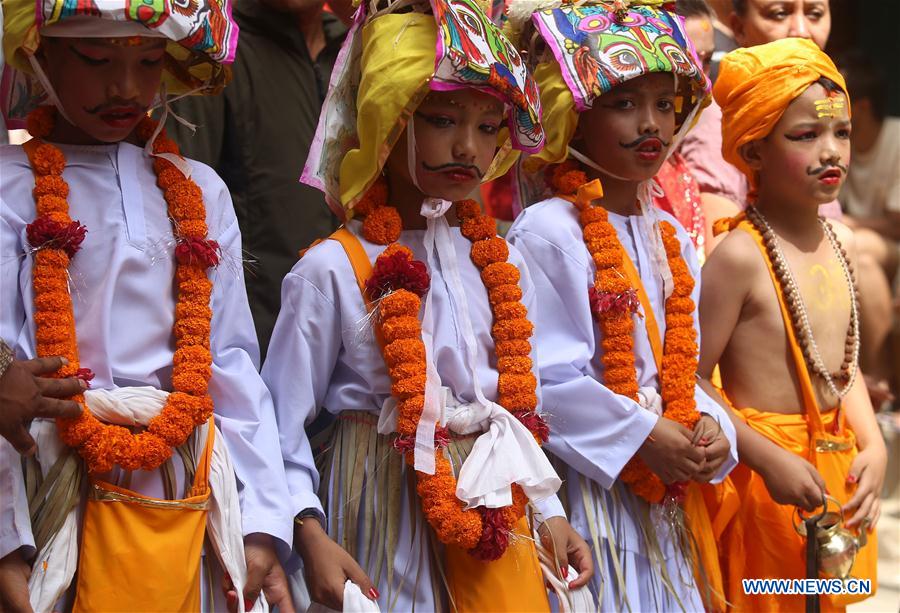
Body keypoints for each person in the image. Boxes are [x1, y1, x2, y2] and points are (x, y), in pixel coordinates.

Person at [263, 0, 591, 609]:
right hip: (383, 515)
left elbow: (516, 410)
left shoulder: (501, 260)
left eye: (489, 127)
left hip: (501, 520)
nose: (468, 147)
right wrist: (309, 535)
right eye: (442, 120)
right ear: (387, 118)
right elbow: (277, 426)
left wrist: (548, 512)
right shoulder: (333, 268)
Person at [0, 0, 297, 610]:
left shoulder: (201, 190)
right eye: (95, 57)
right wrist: (5, 546)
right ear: (39, 52)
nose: (125, 86)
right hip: (49, 496)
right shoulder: (7, 185)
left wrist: (263, 520)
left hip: (187, 488)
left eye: (149, 60)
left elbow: (232, 363)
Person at [505, 1, 738, 609]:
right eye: (624, 104)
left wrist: (712, 429)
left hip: (667, 495)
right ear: (575, 116)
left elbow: (679, 371)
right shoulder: (548, 230)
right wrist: (643, 435)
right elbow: (541, 381)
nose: (651, 125)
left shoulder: (671, 234)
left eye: (665, 105)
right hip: (591, 492)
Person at [700, 38, 885, 611]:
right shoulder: (738, 255)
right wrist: (764, 457)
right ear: (752, 151)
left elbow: (841, 365)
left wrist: (874, 444)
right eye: (805, 136)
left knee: (829, 598)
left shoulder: (843, 240)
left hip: (835, 474)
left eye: (842, 133)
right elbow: (690, 377)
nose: (831, 152)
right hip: (768, 485)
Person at [168, 0, 348, 357]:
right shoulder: (212, 46)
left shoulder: (357, 48)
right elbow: (179, 208)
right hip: (250, 349)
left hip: (358, 356)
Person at [837, 52, 899, 404]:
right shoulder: (840, 140)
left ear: (859, 107)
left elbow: (896, 224)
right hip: (863, 250)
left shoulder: (895, 138)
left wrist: (848, 223)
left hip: (891, 244)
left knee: (855, 244)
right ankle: (880, 382)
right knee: (865, 265)